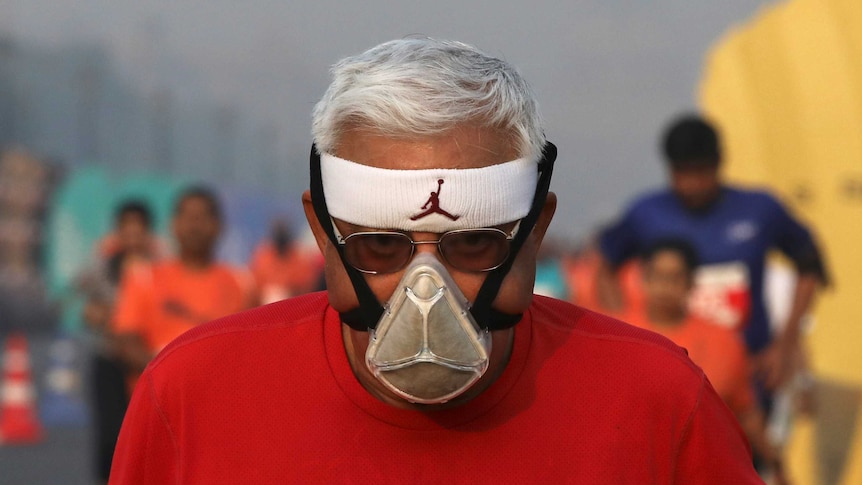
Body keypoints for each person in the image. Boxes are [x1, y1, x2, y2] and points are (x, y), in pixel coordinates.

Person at [109, 38, 761, 483]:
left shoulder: (660, 403)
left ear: (535, 233)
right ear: (321, 231)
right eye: (380, 247)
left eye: (474, 243)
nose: (426, 289)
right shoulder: (192, 396)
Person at [596, 115, 828, 397]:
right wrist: (627, 331)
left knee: (747, 441)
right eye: (683, 173)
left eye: (701, 172)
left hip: (748, 375)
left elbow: (810, 265)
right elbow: (604, 265)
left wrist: (785, 345)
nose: (692, 184)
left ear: (719, 163)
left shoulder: (760, 209)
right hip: (668, 376)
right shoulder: (646, 213)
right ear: (669, 170)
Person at [625, 239, 788, 483]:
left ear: (691, 283)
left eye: (675, 278)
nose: (664, 287)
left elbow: (744, 410)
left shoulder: (724, 341)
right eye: (657, 276)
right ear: (643, 279)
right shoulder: (618, 334)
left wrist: (776, 463)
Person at [111, 186, 255, 375]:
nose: (194, 226)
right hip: (159, 397)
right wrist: (174, 374)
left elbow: (252, 347)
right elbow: (126, 342)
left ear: (219, 225)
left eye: (202, 217)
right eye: (187, 217)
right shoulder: (143, 278)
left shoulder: (242, 283)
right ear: (174, 224)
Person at [75, 200, 158, 484]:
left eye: (139, 228)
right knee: (110, 435)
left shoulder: (160, 267)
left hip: (146, 362)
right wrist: (105, 317)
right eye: (127, 228)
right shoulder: (104, 265)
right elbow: (88, 311)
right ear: (119, 232)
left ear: (148, 232)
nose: (133, 235)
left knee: (147, 436)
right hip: (109, 358)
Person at [248, 217, 323, 305]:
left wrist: (288, 292)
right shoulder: (263, 256)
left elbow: (307, 287)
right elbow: (254, 286)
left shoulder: (298, 258)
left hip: (293, 305)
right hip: (264, 306)